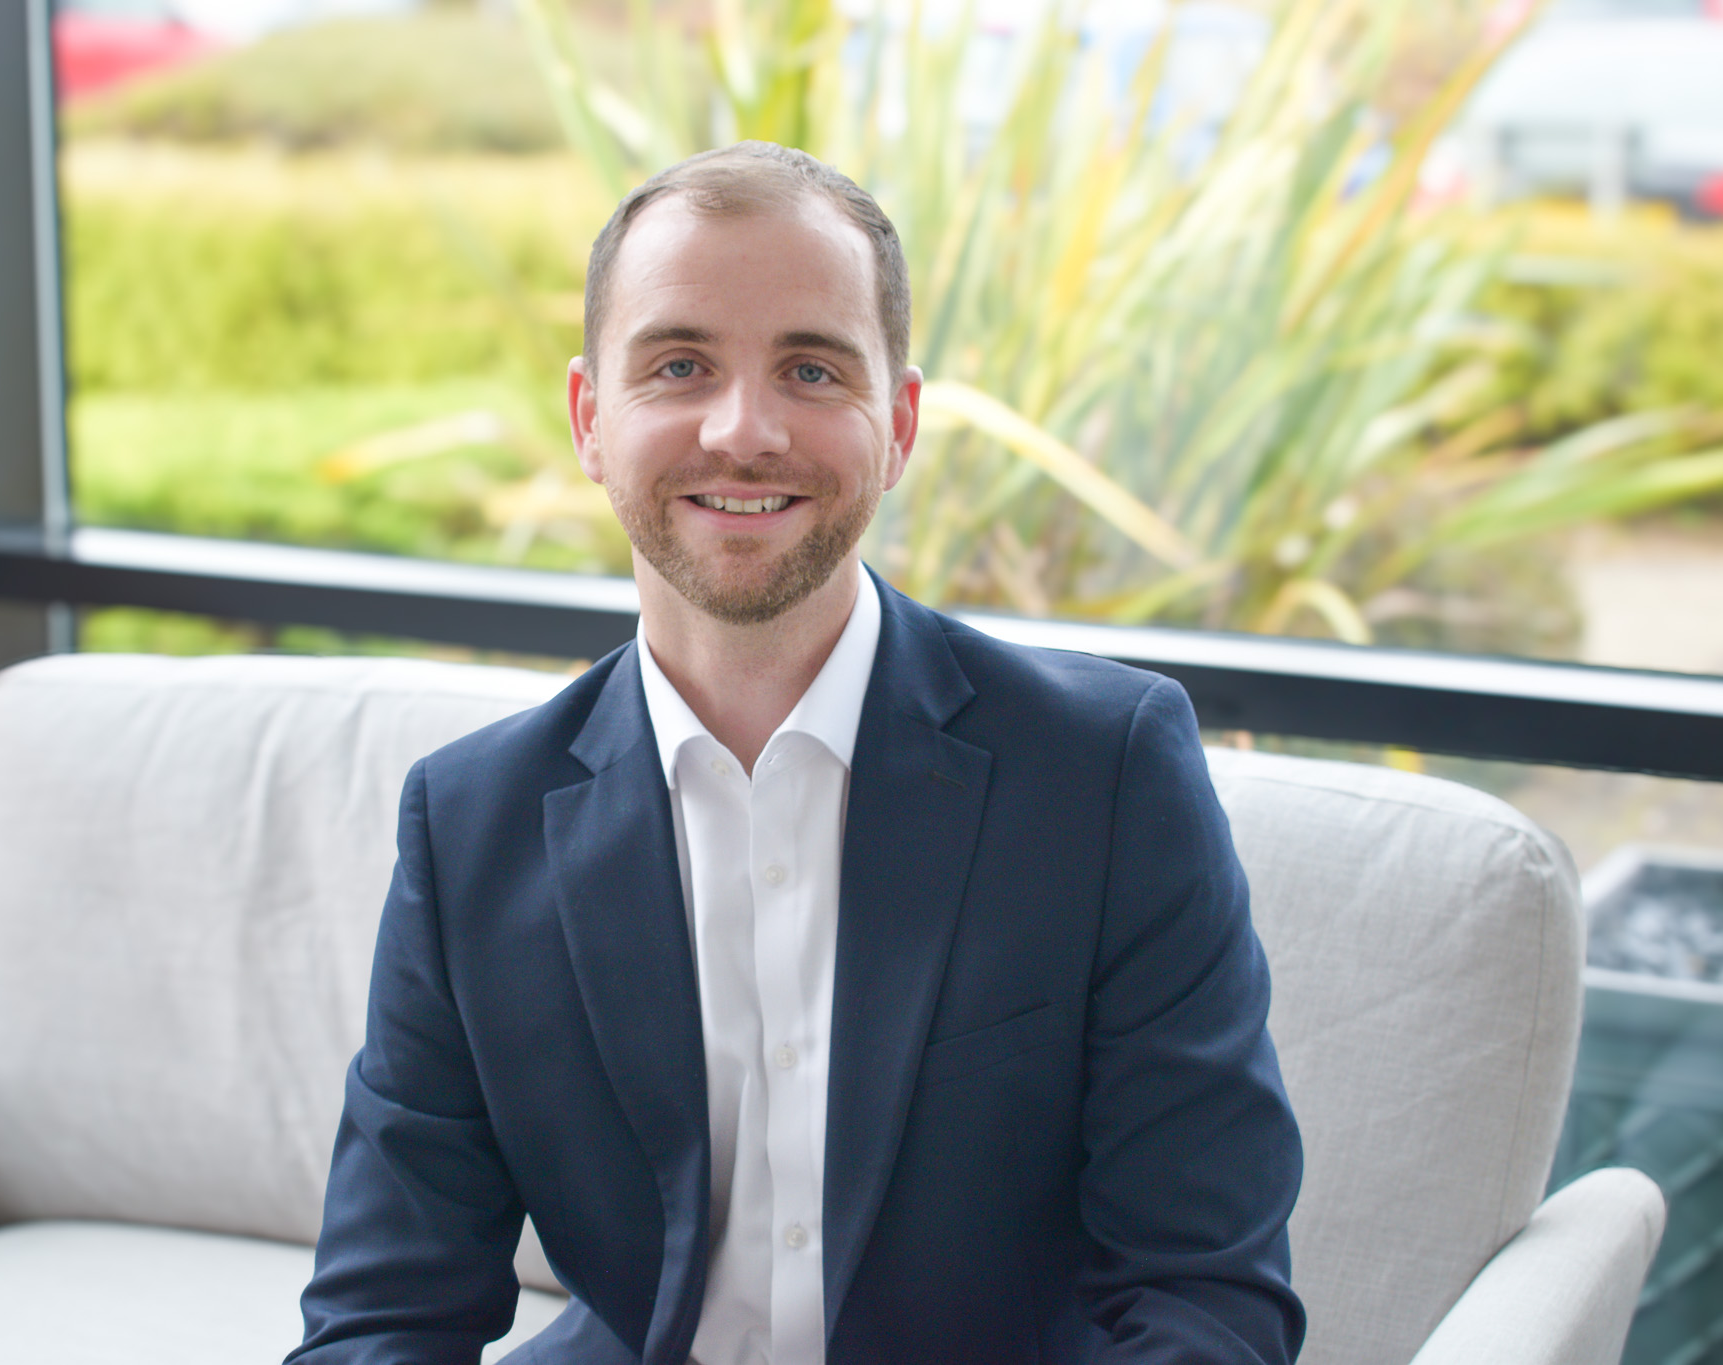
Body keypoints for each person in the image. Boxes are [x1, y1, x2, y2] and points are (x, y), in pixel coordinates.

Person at [289, 141, 1304, 1365]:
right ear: (589, 419)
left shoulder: (1103, 775)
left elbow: (1205, 1296)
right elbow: (381, 1318)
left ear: (900, 423)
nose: (742, 430)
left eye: (811, 369)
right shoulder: (469, 826)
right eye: (678, 365)